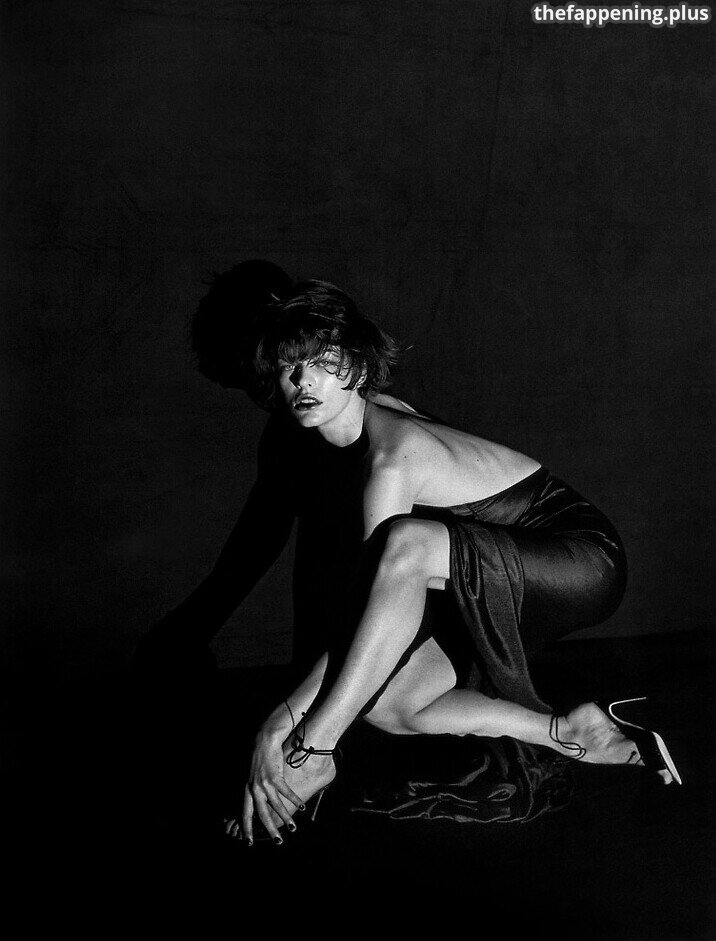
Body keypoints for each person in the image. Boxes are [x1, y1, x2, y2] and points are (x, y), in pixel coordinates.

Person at [135, 262, 681, 845]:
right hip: (481, 570)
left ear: (357, 365)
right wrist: (280, 714)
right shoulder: (316, 439)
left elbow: (370, 601)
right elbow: (338, 599)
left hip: (580, 560)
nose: (303, 381)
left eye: (321, 363)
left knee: (402, 550)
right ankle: (567, 730)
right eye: (288, 367)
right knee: (391, 704)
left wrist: (289, 729)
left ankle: (313, 756)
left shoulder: (391, 457)